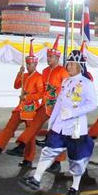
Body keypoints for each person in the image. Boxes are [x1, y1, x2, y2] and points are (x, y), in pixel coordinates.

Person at [21, 47, 98, 195]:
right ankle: (36, 178)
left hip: (76, 128)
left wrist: (73, 112)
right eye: (68, 63)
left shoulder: (87, 83)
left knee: (76, 159)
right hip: (60, 126)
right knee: (49, 151)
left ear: (80, 66)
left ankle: (75, 186)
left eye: (72, 64)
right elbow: (59, 103)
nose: (68, 66)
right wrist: (52, 120)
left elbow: (92, 104)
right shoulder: (65, 81)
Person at [14, 36, 67, 170]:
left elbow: (67, 89)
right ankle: (21, 145)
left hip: (58, 107)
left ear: (57, 58)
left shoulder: (62, 71)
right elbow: (41, 88)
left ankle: (57, 163)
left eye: (51, 57)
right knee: (33, 126)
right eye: (48, 56)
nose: (48, 59)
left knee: (57, 134)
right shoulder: (45, 71)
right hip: (45, 105)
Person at [0, 43, 43, 160]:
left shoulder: (39, 77)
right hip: (21, 107)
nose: (28, 66)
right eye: (27, 64)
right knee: (9, 126)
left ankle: (28, 158)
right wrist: (19, 73)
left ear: (36, 64)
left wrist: (28, 97)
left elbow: (41, 94)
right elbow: (16, 86)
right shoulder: (25, 75)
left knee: (30, 134)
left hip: (31, 108)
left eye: (30, 64)